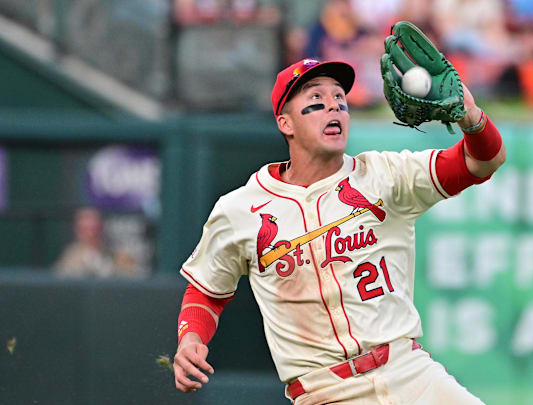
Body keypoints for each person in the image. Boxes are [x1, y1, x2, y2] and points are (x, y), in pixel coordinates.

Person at [173, 57, 505, 404]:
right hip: (326, 392)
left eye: (340, 100)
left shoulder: (386, 176)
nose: (333, 106)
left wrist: (471, 116)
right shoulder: (240, 209)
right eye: (316, 101)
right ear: (285, 122)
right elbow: (207, 291)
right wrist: (191, 338)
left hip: (410, 375)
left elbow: (482, 161)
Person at [54, 207, 114, 279]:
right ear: (77, 230)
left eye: (94, 229)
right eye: (85, 230)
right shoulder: (70, 256)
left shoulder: (115, 254)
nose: (91, 235)